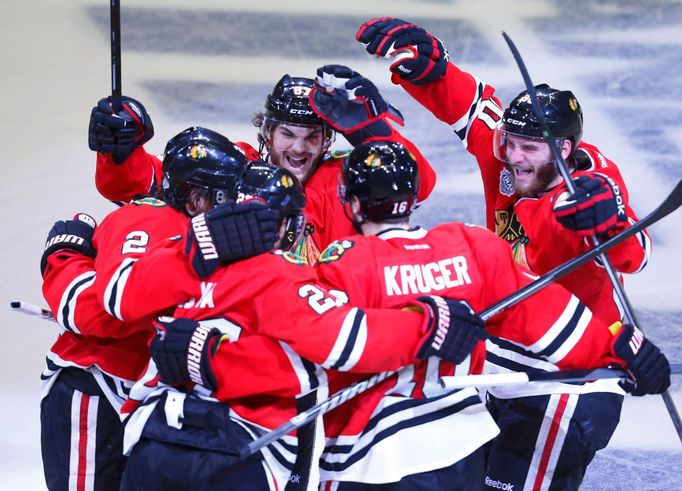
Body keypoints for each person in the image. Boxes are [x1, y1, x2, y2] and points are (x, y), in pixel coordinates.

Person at [355, 17, 655, 490]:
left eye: (529, 147)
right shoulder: (507, 152)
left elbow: (635, 255)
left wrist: (613, 225)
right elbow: (474, 110)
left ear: (564, 148)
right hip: (502, 359)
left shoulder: (590, 189)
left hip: (568, 381)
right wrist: (431, 71)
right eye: (511, 143)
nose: (515, 157)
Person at [310, 140, 668, 490]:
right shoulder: (469, 247)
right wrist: (621, 352)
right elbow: (545, 316)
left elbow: (316, 345)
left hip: (371, 458)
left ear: (353, 204)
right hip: (460, 448)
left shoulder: (345, 263)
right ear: (413, 199)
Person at [113, 160, 477, 491]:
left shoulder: (178, 260)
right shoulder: (284, 277)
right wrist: (428, 326)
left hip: (153, 441)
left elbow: (118, 299)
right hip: (237, 454)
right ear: (289, 226)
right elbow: (345, 341)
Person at [39, 127, 278, 490]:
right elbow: (99, 313)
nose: (238, 200)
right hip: (94, 387)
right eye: (227, 192)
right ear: (197, 198)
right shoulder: (150, 221)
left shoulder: (199, 227)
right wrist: (64, 259)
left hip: (140, 399)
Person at [87, 71, 437, 262]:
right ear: (267, 131)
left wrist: (370, 133)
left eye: (313, 136)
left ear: (328, 139)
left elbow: (417, 184)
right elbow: (137, 183)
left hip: (333, 319)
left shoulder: (346, 175)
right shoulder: (234, 164)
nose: (299, 148)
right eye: (287, 133)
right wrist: (120, 149)